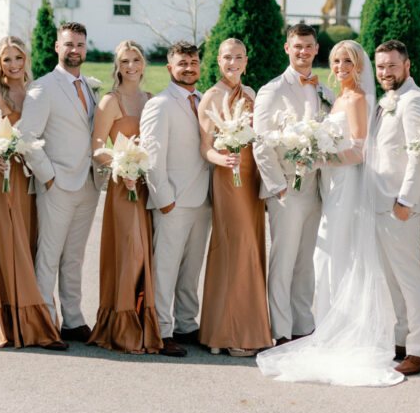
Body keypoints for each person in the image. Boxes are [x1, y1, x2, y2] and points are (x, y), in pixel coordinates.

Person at [258, 39, 402, 386]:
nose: (340, 68)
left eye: (347, 62)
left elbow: (359, 150)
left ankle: (344, 333)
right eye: (336, 61)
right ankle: (326, 327)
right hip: (330, 187)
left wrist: (319, 158)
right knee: (326, 259)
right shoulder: (334, 96)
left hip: (347, 187)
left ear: (359, 66)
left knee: (339, 258)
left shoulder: (355, 99)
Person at [0, 36, 66, 350]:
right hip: (1, 180)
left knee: (28, 246)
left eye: (18, 58)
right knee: (8, 246)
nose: (14, 65)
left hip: (28, 179)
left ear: (26, 59)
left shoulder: (35, 91)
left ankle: (35, 321)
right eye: (7, 60)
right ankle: (13, 325)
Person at [252, 23, 335, 345]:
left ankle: (304, 325)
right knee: (283, 261)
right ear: (287, 48)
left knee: (306, 262)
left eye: (309, 46)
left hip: (315, 188)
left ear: (316, 49)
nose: (303, 51)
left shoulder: (325, 92)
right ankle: (281, 330)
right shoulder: (271, 90)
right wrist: (278, 188)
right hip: (285, 187)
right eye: (297, 46)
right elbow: (260, 143)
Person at [19, 21, 101, 343]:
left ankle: (73, 320)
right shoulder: (43, 87)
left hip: (89, 184)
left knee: (74, 257)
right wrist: (49, 177)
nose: (75, 50)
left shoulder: (91, 88)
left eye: (80, 45)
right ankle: (44, 323)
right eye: (68, 44)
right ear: (57, 47)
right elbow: (27, 137)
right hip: (57, 184)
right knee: (49, 256)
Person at [197, 38, 272, 357]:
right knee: (233, 249)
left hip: (251, 179)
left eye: (239, 57)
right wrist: (221, 160)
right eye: (228, 57)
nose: (233, 62)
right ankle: (229, 333)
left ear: (245, 60)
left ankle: (225, 333)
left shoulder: (252, 93)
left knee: (250, 248)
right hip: (228, 178)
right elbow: (206, 146)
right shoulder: (211, 97)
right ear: (218, 60)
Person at [87, 41, 161, 354]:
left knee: (147, 257)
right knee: (130, 254)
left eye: (136, 60)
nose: (131, 66)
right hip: (123, 186)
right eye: (124, 61)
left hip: (147, 186)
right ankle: (122, 329)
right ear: (117, 67)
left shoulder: (151, 99)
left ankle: (144, 327)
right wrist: (121, 166)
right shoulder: (110, 101)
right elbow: (97, 146)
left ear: (144, 64)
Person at [138, 41, 212, 357]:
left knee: (191, 269)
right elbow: (152, 155)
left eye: (193, 62)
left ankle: (185, 324)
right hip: (173, 201)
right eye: (182, 63)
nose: (189, 68)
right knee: (165, 269)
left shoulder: (205, 100)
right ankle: (161, 330)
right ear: (170, 68)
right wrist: (164, 198)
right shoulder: (160, 104)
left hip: (203, 201)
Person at [369, 40, 420, 376]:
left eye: (392, 66)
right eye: (381, 66)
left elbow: (419, 153)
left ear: (407, 66)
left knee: (410, 278)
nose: (385, 72)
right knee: (392, 279)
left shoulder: (415, 101)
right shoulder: (385, 100)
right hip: (380, 201)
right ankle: (401, 340)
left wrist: (405, 201)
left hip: (401, 205)